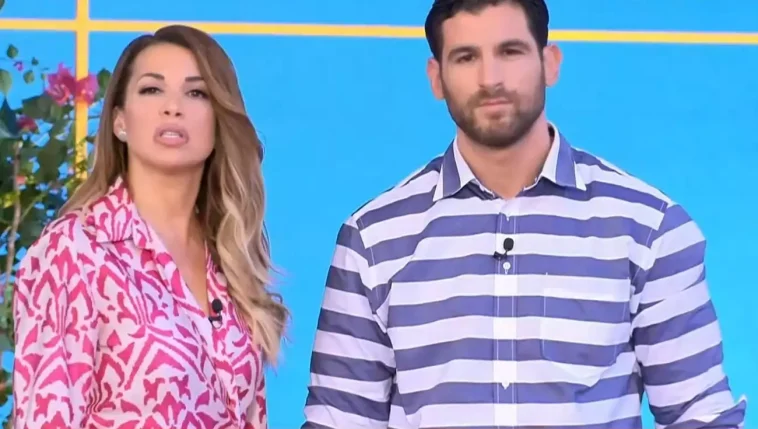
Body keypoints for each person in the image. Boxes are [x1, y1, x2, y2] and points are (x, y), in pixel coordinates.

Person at [302, 1, 747, 428]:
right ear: (436, 78)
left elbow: (700, 417)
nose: (490, 78)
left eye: (510, 52)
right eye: (466, 57)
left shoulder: (649, 229)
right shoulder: (373, 240)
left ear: (550, 63)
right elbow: (339, 420)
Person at [12, 24, 288, 429]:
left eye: (196, 93)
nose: (173, 107)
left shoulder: (228, 259)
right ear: (120, 122)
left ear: (218, 123)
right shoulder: (75, 250)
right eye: (152, 89)